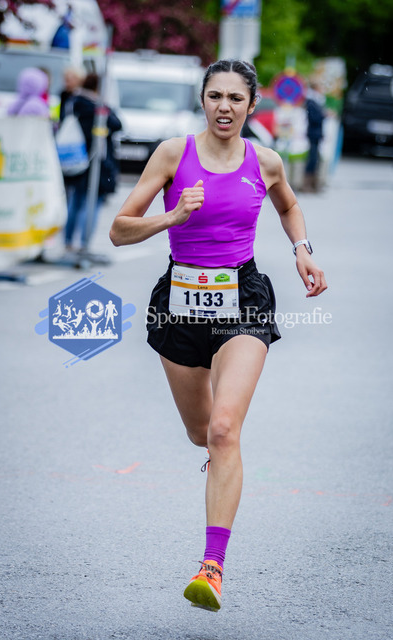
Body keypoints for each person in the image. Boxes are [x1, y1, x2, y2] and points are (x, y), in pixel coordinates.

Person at [109, 59, 327, 612]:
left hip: (242, 299)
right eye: (214, 96)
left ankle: (212, 567)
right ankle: (217, 460)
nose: (224, 107)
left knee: (225, 430)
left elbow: (288, 204)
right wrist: (171, 217)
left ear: (252, 105)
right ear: (202, 100)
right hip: (178, 303)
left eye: (235, 97)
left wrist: (302, 250)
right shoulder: (171, 154)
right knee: (202, 433)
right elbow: (119, 230)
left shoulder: (266, 161)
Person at [64, 72, 122, 252]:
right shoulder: (96, 106)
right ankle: (84, 244)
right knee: (92, 203)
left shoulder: (73, 102)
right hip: (96, 161)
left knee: (75, 201)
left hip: (75, 159)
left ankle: (67, 241)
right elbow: (117, 124)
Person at [302, 80, 326, 192]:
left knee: (315, 158)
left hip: (315, 134)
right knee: (312, 158)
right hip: (313, 134)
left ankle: (313, 183)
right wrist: (323, 115)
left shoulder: (316, 101)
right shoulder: (312, 102)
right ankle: (308, 184)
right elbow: (313, 118)